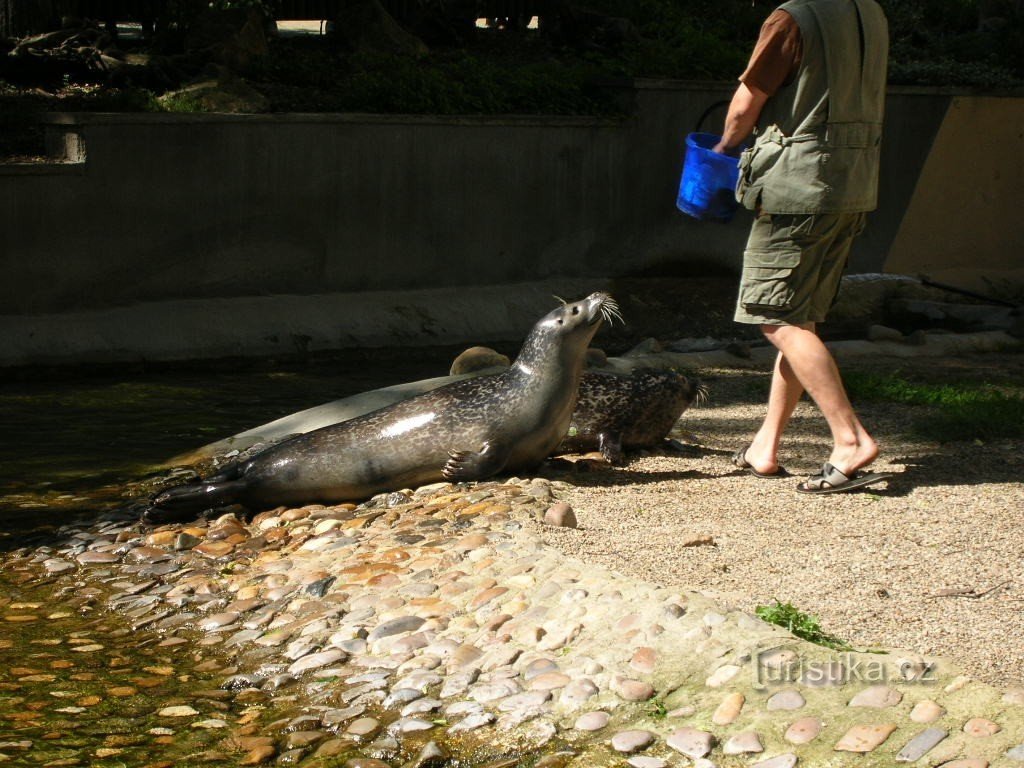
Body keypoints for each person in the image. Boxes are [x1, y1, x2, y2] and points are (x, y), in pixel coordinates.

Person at [713, 0, 893, 493]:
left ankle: (850, 438)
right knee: (801, 317)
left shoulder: (793, 17)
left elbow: (748, 99)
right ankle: (764, 447)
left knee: (775, 317)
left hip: (799, 189)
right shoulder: (870, 14)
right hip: (852, 186)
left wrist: (724, 150)